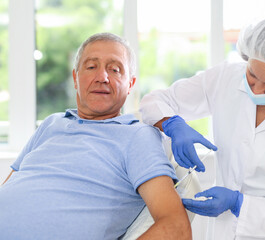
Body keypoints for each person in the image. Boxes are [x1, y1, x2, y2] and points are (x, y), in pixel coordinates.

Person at [139, 13, 265, 240]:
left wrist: (239, 204)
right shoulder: (226, 77)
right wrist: (172, 124)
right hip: (224, 231)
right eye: (252, 74)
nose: (256, 89)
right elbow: (154, 101)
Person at [0, 32, 191, 240]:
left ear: (130, 84)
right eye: (91, 67)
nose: (102, 77)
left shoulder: (137, 136)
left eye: (115, 70)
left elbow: (176, 227)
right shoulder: (52, 123)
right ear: (75, 78)